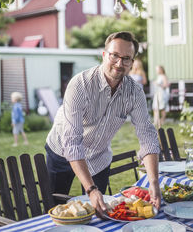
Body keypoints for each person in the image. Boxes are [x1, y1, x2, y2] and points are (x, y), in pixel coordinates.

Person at [45, 31, 161, 216]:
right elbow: (72, 143)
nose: (119, 63)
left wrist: (153, 181)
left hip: (98, 156)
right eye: (114, 55)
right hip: (62, 151)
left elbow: (147, 134)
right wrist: (91, 189)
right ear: (104, 54)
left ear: (132, 62)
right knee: (55, 211)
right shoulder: (80, 85)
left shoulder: (135, 92)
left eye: (126, 58)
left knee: (102, 213)